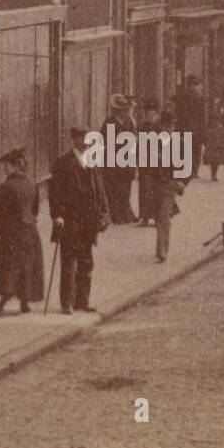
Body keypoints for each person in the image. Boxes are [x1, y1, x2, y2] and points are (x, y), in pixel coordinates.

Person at [47, 127, 110, 314]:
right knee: (69, 262)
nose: (85, 142)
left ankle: (82, 301)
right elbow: (54, 193)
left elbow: (99, 189)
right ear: (74, 139)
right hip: (70, 220)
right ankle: (67, 302)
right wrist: (56, 215)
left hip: (89, 221)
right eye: (82, 138)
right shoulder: (63, 163)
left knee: (86, 262)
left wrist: (104, 212)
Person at [0, 147, 45, 314]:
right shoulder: (32, 183)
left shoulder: (7, 186)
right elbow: (35, 209)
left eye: (6, 166)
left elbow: (1, 210)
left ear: (16, 166)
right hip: (30, 231)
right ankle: (24, 303)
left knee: (10, 266)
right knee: (27, 266)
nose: (4, 169)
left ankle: (1, 303)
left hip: (11, 231)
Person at [104, 94, 138, 223]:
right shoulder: (109, 122)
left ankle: (126, 212)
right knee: (115, 188)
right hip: (113, 159)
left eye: (126, 110)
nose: (125, 112)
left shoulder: (129, 121)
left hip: (127, 158)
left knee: (126, 187)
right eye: (122, 110)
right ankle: (117, 214)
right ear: (117, 111)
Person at [172, 74, 206, 180]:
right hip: (194, 127)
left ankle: (186, 169)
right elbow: (202, 116)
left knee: (186, 148)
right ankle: (194, 171)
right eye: (197, 85)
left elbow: (176, 110)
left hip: (183, 126)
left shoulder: (181, 96)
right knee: (195, 149)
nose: (199, 88)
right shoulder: (200, 98)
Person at [136, 99, 162, 224]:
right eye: (148, 115)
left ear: (157, 115)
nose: (150, 117)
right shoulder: (143, 127)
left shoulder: (160, 128)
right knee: (144, 190)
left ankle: (157, 217)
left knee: (157, 191)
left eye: (153, 115)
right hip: (144, 163)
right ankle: (144, 217)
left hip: (157, 164)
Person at [202, 107, 224, 183]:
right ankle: (213, 174)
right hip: (211, 148)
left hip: (218, 148)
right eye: (214, 121)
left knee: (216, 162)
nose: (215, 122)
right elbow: (206, 137)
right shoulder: (211, 130)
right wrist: (206, 143)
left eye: (217, 121)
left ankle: (214, 174)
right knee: (213, 162)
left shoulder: (222, 129)